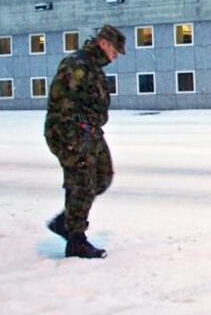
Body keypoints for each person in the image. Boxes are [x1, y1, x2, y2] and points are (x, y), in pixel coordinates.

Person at [44, 25, 125, 259]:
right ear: (104, 43)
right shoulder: (77, 65)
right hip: (71, 132)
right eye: (115, 50)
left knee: (103, 176)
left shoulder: (93, 67)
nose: (116, 55)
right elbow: (61, 105)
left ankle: (66, 221)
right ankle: (76, 240)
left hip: (90, 131)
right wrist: (73, 136)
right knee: (81, 181)